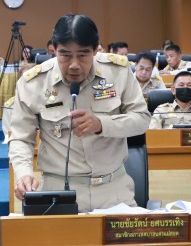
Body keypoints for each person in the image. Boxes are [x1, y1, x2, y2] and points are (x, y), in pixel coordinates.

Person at [9, 14, 150, 213]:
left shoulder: (118, 72)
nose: (74, 64)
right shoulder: (33, 83)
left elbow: (142, 119)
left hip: (113, 190)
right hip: (58, 192)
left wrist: (101, 124)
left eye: (83, 55)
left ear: (95, 50)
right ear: (54, 50)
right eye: (65, 55)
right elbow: (21, 138)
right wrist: (23, 173)